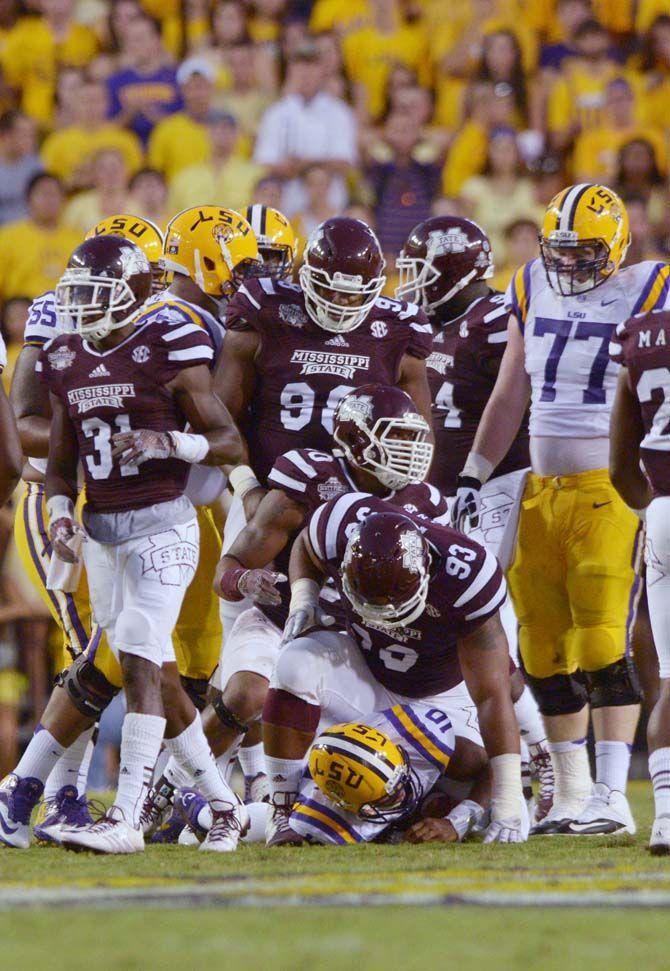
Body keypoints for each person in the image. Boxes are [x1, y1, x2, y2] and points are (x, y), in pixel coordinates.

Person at [0, 235, 245, 855]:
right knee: (151, 669)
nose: (80, 307)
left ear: (135, 293)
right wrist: (58, 514)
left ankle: (125, 818)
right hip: (103, 533)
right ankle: (222, 807)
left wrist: (173, 445)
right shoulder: (65, 356)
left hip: (164, 526)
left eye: (94, 295)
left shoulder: (169, 341)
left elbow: (228, 440)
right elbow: (57, 464)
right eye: (75, 294)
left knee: (138, 654)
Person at [450, 184, 669, 836]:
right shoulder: (531, 283)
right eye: (562, 250)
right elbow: (511, 387)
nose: (570, 264)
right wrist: (474, 471)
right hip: (538, 487)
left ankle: (613, 794)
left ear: (620, 244)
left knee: (603, 634)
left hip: (610, 483)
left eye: (586, 251)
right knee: (542, 647)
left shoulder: (650, 286)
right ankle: (572, 794)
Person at [145, 384, 441, 841]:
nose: (409, 453)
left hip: (358, 646)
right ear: (357, 440)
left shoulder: (424, 502)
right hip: (279, 619)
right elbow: (229, 568)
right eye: (395, 438)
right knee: (247, 694)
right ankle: (163, 793)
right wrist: (247, 582)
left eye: (411, 439)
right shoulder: (309, 481)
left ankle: (246, 809)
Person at [396, 214, 553, 820]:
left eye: (422, 268)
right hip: (447, 492)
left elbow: (516, 402)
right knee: (475, 629)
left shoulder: (494, 319)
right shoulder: (425, 323)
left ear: (457, 269)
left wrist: (479, 478)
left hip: (498, 485)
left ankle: (542, 758)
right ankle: (534, 758)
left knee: (489, 626)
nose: (410, 281)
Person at [263, 497, 526, 845]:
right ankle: (281, 808)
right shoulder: (338, 522)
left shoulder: (467, 575)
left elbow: (493, 697)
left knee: (469, 760)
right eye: (369, 600)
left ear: (426, 571)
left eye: (390, 602)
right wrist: (304, 597)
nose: (379, 612)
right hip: (368, 671)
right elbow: (306, 544)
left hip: (440, 695)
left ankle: (428, 806)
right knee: (294, 663)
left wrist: (498, 807)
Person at [609, 306, 670, 853]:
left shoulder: (641, 335)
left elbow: (618, 468)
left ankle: (667, 819)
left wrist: (654, 511)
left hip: (664, 511)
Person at [253, 43, 357, 216]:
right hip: (287, 206)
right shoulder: (277, 113)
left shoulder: (339, 112)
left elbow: (344, 162)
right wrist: (290, 167)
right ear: (290, 71)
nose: (306, 73)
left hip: (330, 208)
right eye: (300, 65)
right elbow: (264, 162)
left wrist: (304, 164)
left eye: (312, 66)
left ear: (322, 71)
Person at [40, 80, 143, 190]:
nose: (91, 106)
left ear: (106, 103)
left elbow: (136, 182)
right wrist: (73, 181)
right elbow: (47, 184)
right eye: (85, 101)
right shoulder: (57, 141)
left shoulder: (126, 139)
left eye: (96, 100)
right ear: (75, 104)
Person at [0, 173, 79, 302]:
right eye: (43, 194)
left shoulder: (77, 239)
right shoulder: (7, 238)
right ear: (28, 199)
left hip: (68, 314)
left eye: (54, 194)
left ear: (64, 200)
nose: (49, 200)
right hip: (21, 314)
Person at [167, 111, 264, 215]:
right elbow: (173, 216)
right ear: (206, 133)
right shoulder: (185, 176)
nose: (222, 134)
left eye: (229, 130)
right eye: (216, 129)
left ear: (238, 135)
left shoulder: (256, 174)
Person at [106, 12, 179, 146]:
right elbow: (106, 130)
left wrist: (153, 115)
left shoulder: (176, 79)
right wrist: (129, 113)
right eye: (130, 40)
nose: (135, 45)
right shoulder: (114, 82)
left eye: (141, 38)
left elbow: (185, 127)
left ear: (157, 40)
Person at [147, 57, 214, 180]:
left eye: (202, 86)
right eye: (192, 87)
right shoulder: (166, 129)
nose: (198, 94)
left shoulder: (227, 128)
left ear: (212, 88)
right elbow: (155, 173)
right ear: (183, 91)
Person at [0, 111, 42, 226]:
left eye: (32, 135)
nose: (31, 140)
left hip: (28, 236)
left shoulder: (37, 167)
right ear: (5, 136)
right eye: (24, 134)